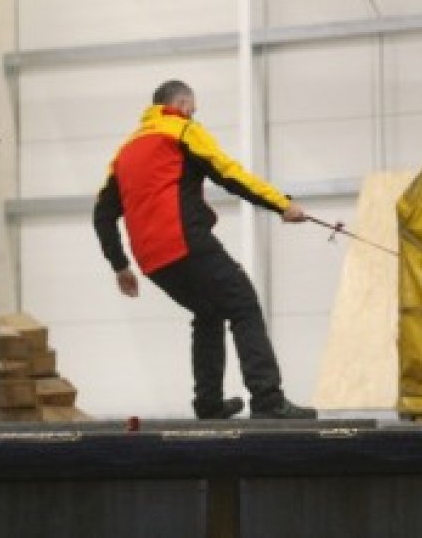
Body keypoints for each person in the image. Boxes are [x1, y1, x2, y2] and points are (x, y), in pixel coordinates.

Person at [94, 80, 317, 420]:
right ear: (182, 105)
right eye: (193, 110)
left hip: (152, 260)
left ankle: (209, 404)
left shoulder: (123, 153)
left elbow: (102, 214)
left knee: (209, 312)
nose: (193, 115)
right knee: (243, 302)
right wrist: (282, 205)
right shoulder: (182, 129)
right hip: (184, 241)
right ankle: (268, 399)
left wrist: (120, 265)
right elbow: (230, 174)